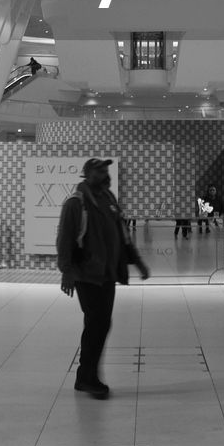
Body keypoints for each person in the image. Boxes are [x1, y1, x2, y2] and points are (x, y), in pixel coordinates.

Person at [56, 158, 149, 398]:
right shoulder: (76, 203)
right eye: (100, 170)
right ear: (88, 174)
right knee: (97, 324)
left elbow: (122, 234)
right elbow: (64, 239)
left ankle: (84, 377)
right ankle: (88, 378)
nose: (106, 173)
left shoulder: (108, 199)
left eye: (106, 170)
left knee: (99, 324)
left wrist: (136, 261)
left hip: (106, 274)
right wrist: (66, 271)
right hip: (87, 275)